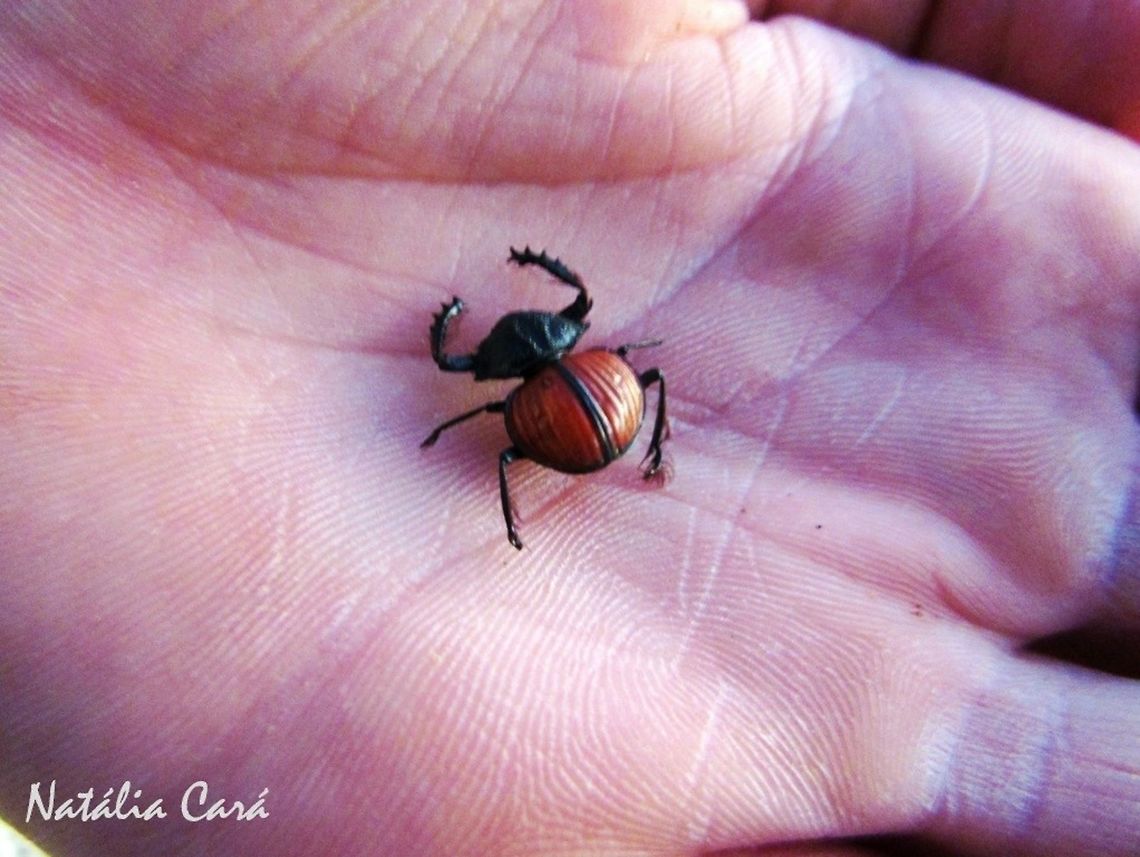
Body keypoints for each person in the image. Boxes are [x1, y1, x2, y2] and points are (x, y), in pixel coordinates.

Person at [1, 1, 1137, 854]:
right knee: (531, 422)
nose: (517, 335)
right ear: (541, 343)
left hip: (584, 421)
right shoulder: (574, 351)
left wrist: (477, 342)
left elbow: (481, 355)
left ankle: (570, 480)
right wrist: (504, 315)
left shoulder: (520, 382)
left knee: (503, 434)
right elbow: (541, 318)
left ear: (525, 355)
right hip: (598, 416)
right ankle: (616, 463)